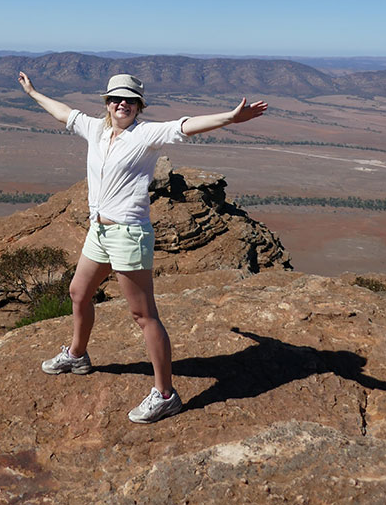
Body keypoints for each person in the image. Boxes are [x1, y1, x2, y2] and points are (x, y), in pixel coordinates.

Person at [18, 71, 268, 423]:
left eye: (130, 100)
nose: (123, 104)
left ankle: (165, 394)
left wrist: (229, 117)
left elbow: (186, 126)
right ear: (106, 103)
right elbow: (63, 113)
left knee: (143, 315)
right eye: (116, 99)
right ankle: (77, 355)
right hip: (99, 232)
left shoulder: (145, 135)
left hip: (129, 234)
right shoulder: (96, 129)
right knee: (78, 293)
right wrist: (33, 92)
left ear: (139, 106)